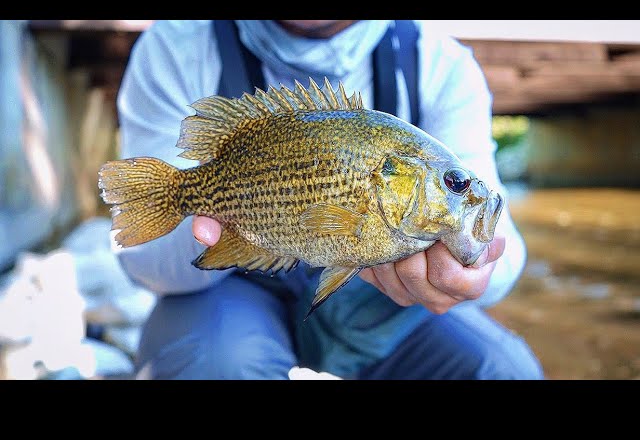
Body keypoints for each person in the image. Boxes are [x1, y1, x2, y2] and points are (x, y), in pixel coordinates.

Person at [116, 20, 544, 380]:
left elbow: (499, 242)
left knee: (504, 368)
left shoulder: (440, 63)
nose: (459, 192)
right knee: (215, 365)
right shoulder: (176, 45)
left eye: (451, 183)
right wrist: (225, 223)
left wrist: (473, 267)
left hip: (374, 306)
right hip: (228, 296)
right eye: (451, 183)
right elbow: (141, 260)